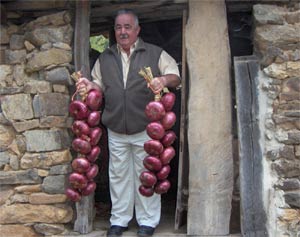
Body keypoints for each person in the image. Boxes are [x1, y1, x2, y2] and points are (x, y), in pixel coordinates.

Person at [76, 9, 181, 237]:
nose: (122, 32)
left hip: (146, 128)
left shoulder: (154, 53)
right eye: (118, 27)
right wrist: (88, 86)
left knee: (148, 174)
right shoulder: (105, 58)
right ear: (114, 31)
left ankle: (147, 222)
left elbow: (176, 76)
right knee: (119, 175)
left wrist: (162, 79)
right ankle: (120, 220)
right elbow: (98, 86)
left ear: (137, 30)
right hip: (115, 127)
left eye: (127, 27)